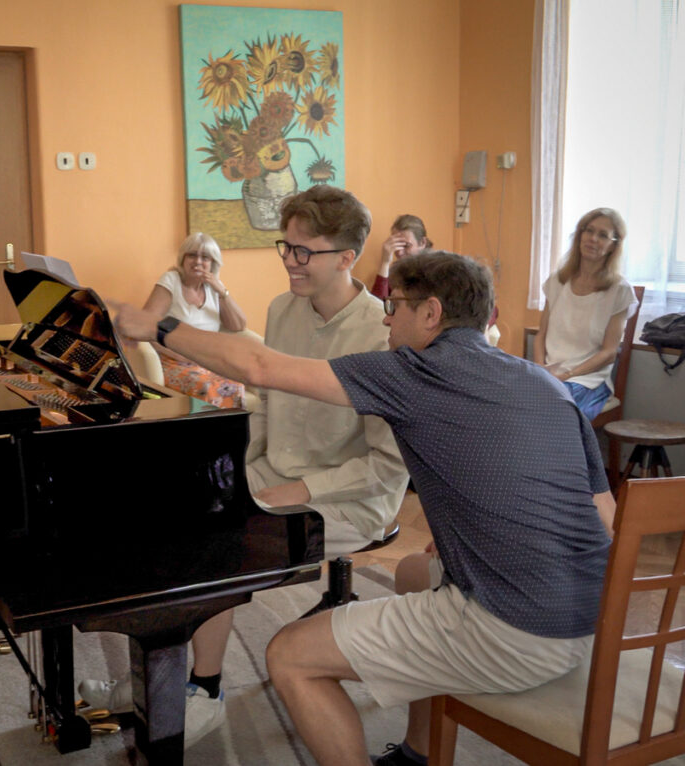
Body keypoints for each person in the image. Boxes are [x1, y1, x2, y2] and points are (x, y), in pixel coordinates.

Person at [113, 250, 614, 766]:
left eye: (395, 306)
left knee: (289, 656)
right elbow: (606, 518)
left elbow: (260, 366)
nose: (386, 319)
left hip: (514, 631)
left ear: (431, 313)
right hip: (589, 616)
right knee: (416, 572)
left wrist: (158, 326)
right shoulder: (545, 383)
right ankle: (419, 754)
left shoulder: (416, 372)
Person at [81, 186, 408, 748]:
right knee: (171, 516)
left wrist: (293, 489)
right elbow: (269, 406)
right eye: (286, 246)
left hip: (349, 498)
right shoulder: (283, 310)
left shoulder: (382, 333)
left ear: (347, 258)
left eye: (304, 251)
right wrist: (230, 469)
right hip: (277, 474)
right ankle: (157, 676)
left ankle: (204, 690)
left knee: (217, 543)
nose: (289, 261)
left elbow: (385, 466)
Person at [533, 207, 636, 419]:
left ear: (613, 245)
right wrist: (540, 369)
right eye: (589, 230)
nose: (593, 239)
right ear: (579, 235)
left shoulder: (620, 290)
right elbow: (541, 335)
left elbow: (609, 353)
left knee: (552, 409)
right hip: (549, 373)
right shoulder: (557, 281)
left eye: (603, 235)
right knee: (511, 400)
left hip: (587, 379)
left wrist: (568, 375)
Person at [139, 232, 247, 407]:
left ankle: (231, 426)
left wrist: (221, 291)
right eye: (192, 255)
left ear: (213, 263)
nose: (198, 261)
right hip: (173, 360)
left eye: (205, 257)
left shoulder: (214, 287)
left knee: (236, 384)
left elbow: (238, 325)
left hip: (206, 360)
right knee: (208, 387)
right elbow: (145, 327)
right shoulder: (171, 281)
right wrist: (180, 355)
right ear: (183, 259)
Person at [370, 215, 431, 300]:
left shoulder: (433, 273)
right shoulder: (396, 271)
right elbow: (377, 305)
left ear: (422, 243)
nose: (399, 252)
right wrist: (385, 263)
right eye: (397, 245)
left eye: (406, 246)